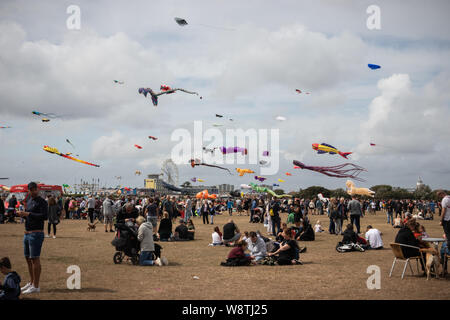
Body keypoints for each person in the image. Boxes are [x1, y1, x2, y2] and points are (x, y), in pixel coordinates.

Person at [16, 182, 48, 295]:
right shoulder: (29, 200)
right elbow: (29, 215)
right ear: (28, 190)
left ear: (37, 189)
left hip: (36, 234)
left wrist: (28, 214)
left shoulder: (42, 201)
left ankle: (36, 286)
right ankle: (31, 282)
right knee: (28, 258)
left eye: (35, 189)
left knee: (35, 259)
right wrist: (22, 215)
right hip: (27, 233)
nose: (34, 191)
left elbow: (45, 216)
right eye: (32, 190)